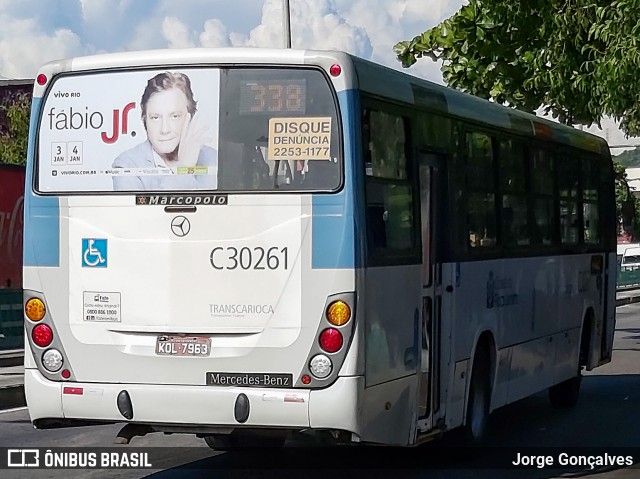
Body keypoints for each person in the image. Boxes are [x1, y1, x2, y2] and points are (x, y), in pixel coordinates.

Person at [112, 72, 217, 191]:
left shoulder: (213, 158)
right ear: (145, 120)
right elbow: (144, 210)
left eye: (174, 116)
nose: (164, 129)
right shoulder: (126, 165)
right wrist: (184, 167)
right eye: (155, 118)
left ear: (190, 117)